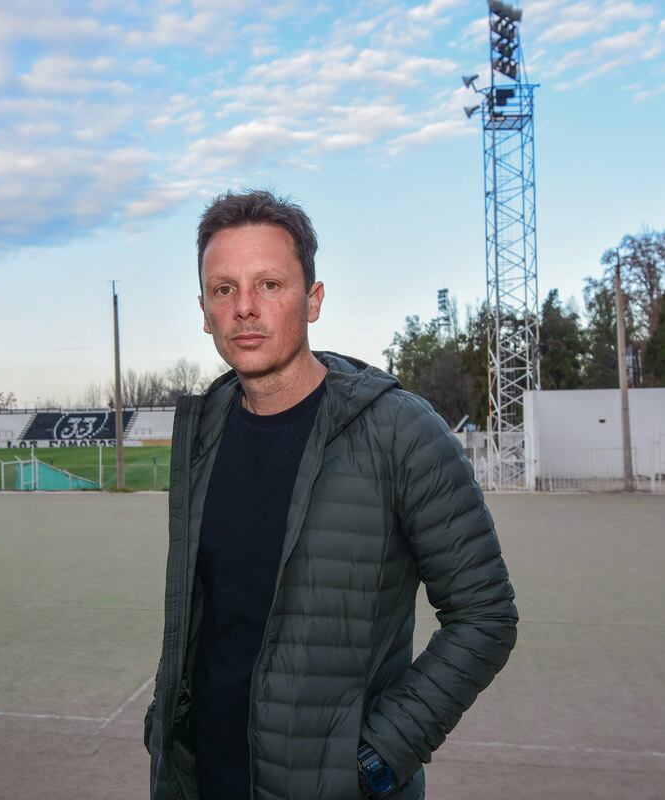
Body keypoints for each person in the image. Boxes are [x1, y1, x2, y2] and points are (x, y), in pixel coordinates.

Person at [145, 190, 517, 800]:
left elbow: (486, 614)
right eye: (223, 290)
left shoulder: (400, 431)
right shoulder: (202, 430)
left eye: (269, 284)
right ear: (204, 311)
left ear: (313, 300)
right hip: (203, 780)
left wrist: (378, 756)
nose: (245, 309)